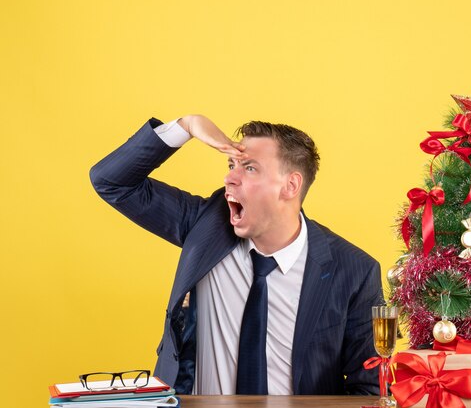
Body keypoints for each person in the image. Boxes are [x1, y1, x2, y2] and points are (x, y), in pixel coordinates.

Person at [89, 114, 383, 396]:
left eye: (249, 167)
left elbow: (369, 389)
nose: (230, 177)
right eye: (231, 164)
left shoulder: (354, 271)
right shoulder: (207, 225)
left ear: (290, 185)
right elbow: (111, 181)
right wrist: (187, 126)